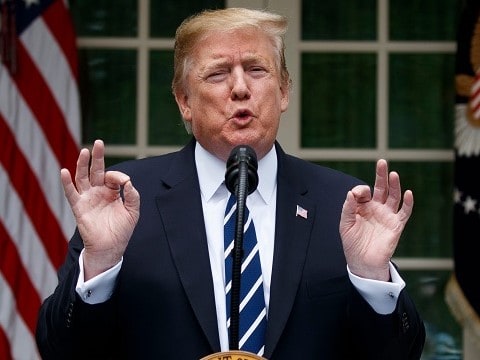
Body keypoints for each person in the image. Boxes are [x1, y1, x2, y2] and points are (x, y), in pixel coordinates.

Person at [35, 7, 425, 359]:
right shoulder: (125, 199)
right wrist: (101, 262)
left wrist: (373, 278)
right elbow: (60, 350)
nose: (240, 88)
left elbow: (399, 355)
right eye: (218, 73)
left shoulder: (343, 205)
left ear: (284, 90)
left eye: (257, 70)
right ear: (184, 100)